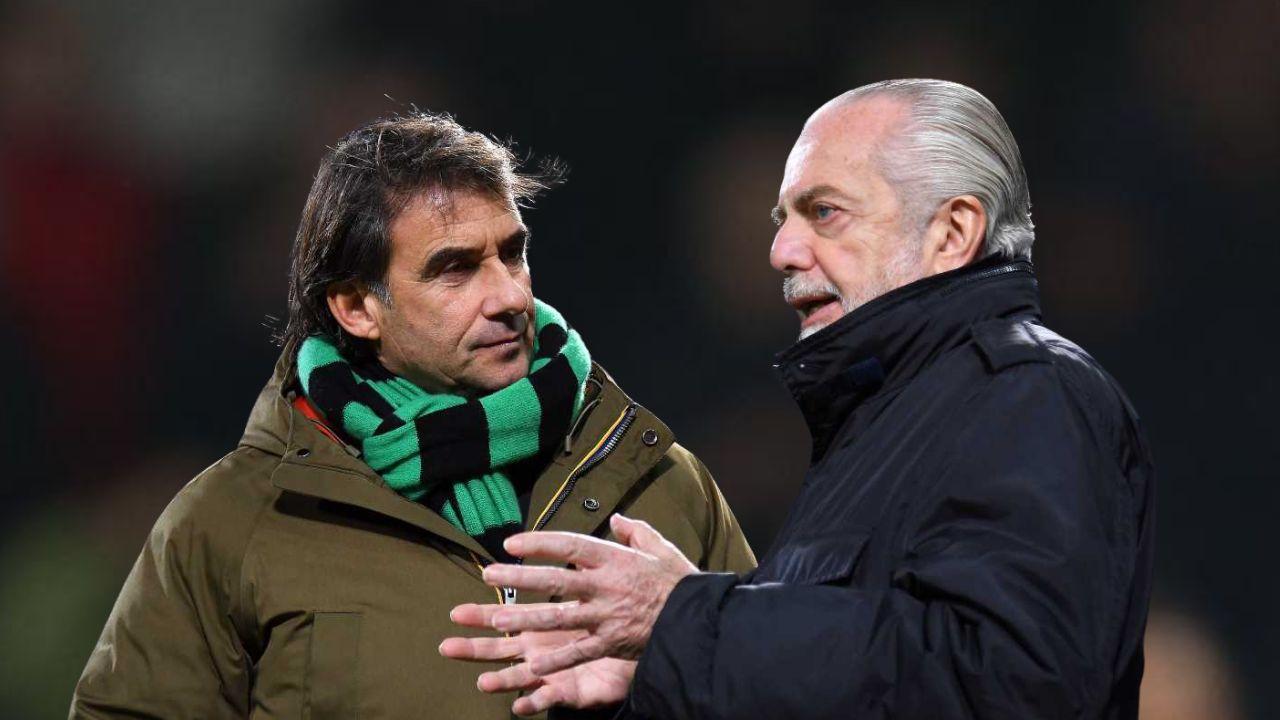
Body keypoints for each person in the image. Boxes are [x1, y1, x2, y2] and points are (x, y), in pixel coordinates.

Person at [442, 79, 1157, 719]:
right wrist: (668, 671)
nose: (782, 251)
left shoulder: (1028, 395)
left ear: (953, 232)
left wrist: (684, 620)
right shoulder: (887, 417)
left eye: (825, 212)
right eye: (783, 218)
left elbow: (1011, 685)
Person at [70, 112, 755, 719]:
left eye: (513, 253)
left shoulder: (658, 479)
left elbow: (780, 690)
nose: (509, 297)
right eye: (455, 269)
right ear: (356, 308)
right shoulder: (236, 521)